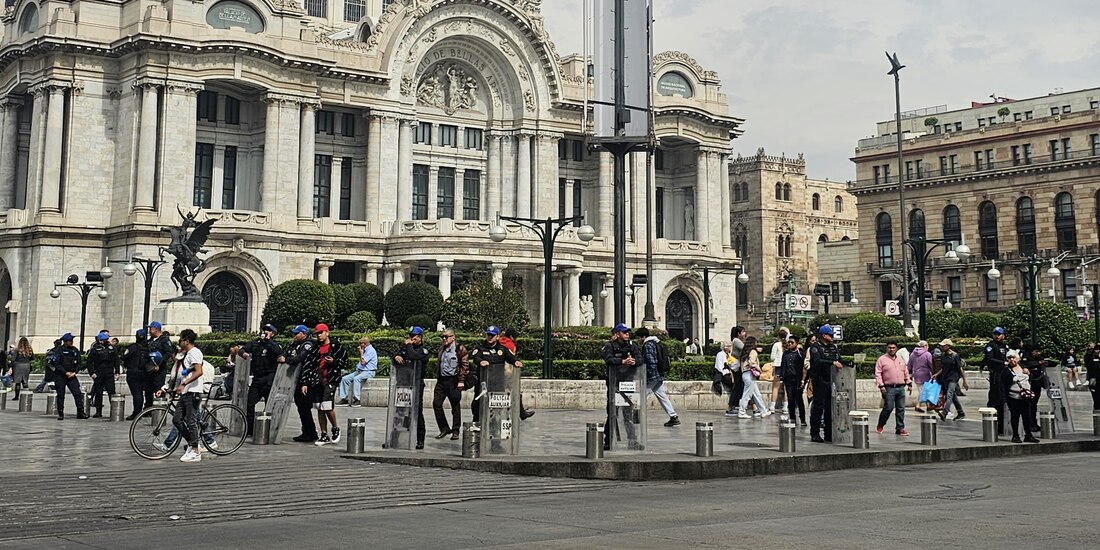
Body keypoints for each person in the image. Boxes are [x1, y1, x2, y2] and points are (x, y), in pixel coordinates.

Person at [156, 329, 206, 463]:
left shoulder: (194, 353)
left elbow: (198, 371)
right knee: (177, 420)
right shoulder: (186, 354)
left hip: (193, 391)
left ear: (186, 341)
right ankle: (191, 443)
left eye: (180, 340)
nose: (179, 343)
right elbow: (179, 374)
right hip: (185, 392)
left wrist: (184, 383)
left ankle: (196, 450)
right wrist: (167, 388)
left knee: (191, 421)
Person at [299, 324, 347, 446]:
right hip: (317, 380)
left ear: (327, 333)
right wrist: (304, 383)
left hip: (330, 379)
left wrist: (333, 362)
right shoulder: (314, 348)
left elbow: (345, 361)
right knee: (319, 407)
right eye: (317, 334)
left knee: (327, 406)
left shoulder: (336, 345)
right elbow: (308, 365)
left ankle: (335, 428)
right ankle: (324, 434)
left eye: (321, 333)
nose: (319, 335)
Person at [602, 323, 642, 450]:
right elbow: (608, 359)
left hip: (628, 383)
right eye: (624, 332)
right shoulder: (610, 346)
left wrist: (634, 361)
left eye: (628, 332)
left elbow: (641, 359)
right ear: (618, 334)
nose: (627, 334)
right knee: (612, 413)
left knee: (628, 413)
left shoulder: (632, 346)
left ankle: (632, 441)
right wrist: (622, 361)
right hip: (614, 383)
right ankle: (608, 440)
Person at [241, 323, 286, 437]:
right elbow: (242, 350)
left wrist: (269, 341)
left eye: (268, 331)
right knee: (250, 404)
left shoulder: (275, 345)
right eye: (264, 330)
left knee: (269, 406)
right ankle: (249, 429)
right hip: (257, 378)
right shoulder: (256, 343)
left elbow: (279, 354)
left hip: (269, 378)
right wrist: (245, 354)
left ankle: (267, 430)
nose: (265, 332)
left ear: (273, 333)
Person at [393, 326, 431, 449]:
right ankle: (395, 438)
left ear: (420, 337)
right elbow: (396, 357)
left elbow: (413, 356)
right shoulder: (405, 348)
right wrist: (395, 357)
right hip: (403, 383)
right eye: (410, 336)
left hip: (416, 384)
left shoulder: (423, 351)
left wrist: (408, 346)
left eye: (414, 336)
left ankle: (420, 440)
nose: (411, 339)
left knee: (416, 412)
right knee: (400, 412)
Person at [636, 327, 680, 427]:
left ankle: (636, 415)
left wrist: (649, 375)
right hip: (659, 374)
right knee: (662, 396)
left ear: (643, 337)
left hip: (653, 376)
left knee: (642, 396)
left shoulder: (647, 345)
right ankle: (673, 416)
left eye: (638, 338)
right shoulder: (656, 342)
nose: (638, 340)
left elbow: (651, 361)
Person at [431, 328, 468, 440]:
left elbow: (465, 365)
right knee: (436, 404)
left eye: (446, 337)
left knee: (455, 406)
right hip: (442, 381)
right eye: (442, 336)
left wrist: (461, 380)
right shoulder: (441, 349)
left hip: (453, 380)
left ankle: (455, 430)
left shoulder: (459, 348)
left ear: (453, 337)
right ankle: (444, 428)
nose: (444, 339)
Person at [285, 325, 319, 443]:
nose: (294, 336)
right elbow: (287, 353)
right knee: (301, 407)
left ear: (304, 333)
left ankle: (310, 432)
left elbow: (301, 358)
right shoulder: (295, 344)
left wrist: (287, 360)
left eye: (297, 333)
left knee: (304, 407)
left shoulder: (308, 344)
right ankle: (308, 431)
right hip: (298, 379)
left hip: (306, 380)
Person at [808, 325, 842, 443]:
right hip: (820, 380)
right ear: (823, 335)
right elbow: (817, 362)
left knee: (830, 408)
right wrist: (832, 363)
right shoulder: (815, 348)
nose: (832, 337)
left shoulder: (833, 347)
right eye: (830, 335)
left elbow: (839, 359)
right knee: (818, 408)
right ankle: (815, 433)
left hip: (831, 380)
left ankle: (829, 433)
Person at [874, 340, 912, 436]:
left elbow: (905, 372)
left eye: (893, 348)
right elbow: (878, 373)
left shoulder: (900, 359)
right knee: (888, 407)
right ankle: (881, 424)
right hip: (888, 388)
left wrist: (909, 383)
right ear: (887, 348)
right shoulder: (881, 359)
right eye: (890, 348)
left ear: (896, 349)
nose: (892, 349)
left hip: (901, 387)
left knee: (901, 409)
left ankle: (900, 428)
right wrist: (881, 385)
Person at [1005, 350, 1039, 443]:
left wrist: (1028, 373)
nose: (1012, 360)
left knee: (1026, 416)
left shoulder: (1023, 366)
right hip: (1014, 396)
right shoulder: (1006, 370)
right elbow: (1003, 384)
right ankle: (1015, 435)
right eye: (1009, 358)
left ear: (1018, 358)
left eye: (1013, 358)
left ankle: (1028, 435)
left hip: (1025, 396)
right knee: (1015, 416)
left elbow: (1031, 377)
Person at [499, 328, 534, 419]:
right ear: (511, 337)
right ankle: (521, 413)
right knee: (515, 393)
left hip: (496, 373)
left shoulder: (499, 341)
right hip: (507, 373)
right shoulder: (510, 345)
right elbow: (511, 358)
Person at [982, 327, 1009, 436]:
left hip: (1004, 375)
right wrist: (1003, 363)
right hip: (996, 375)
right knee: (995, 399)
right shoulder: (990, 346)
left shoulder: (1005, 346)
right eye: (995, 334)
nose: (997, 336)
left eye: (999, 334)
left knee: (1004, 400)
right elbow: (989, 359)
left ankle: (1003, 426)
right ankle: (993, 425)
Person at [86, 331, 120, 418]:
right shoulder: (95, 349)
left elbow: (116, 360)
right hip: (99, 373)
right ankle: (98, 411)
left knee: (111, 392)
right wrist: (92, 373)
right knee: (98, 392)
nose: (105, 341)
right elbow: (89, 362)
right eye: (103, 340)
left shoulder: (112, 348)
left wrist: (117, 372)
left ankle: (114, 410)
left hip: (109, 372)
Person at [54, 333, 87, 420]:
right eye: (69, 341)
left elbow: (79, 363)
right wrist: (65, 372)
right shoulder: (59, 350)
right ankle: (60, 413)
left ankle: (80, 412)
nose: (71, 342)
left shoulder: (75, 350)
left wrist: (75, 372)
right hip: (61, 375)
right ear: (65, 342)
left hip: (72, 375)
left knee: (77, 393)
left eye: (72, 341)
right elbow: (56, 364)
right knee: (61, 395)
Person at [737, 336, 771, 419]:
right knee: (747, 395)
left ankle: (763, 411)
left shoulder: (744, 352)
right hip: (750, 374)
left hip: (745, 374)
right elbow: (752, 363)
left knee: (756, 394)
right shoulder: (753, 351)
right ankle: (741, 412)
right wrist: (759, 369)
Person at [935, 339, 968, 421]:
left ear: (948, 346)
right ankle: (961, 413)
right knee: (953, 397)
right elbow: (943, 368)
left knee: (949, 395)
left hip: (953, 378)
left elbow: (960, 368)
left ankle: (945, 412)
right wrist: (936, 374)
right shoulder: (943, 355)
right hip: (945, 378)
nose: (942, 347)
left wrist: (964, 381)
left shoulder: (955, 356)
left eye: (943, 346)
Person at [339, 336, 378, 407]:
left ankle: (357, 400)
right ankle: (344, 399)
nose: (359, 345)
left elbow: (363, 362)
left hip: (368, 371)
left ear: (364, 344)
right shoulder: (366, 350)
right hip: (360, 371)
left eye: (360, 344)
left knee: (356, 379)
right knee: (344, 379)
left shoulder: (371, 351)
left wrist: (361, 352)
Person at [120, 329, 150, 419]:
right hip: (144, 373)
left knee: (137, 394)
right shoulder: (148, 347)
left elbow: (124, 357)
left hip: (133, 372)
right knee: (141, 394)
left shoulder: (133, 347)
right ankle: (141, 411)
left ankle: (137, 413)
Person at [1022, 344, 1051, 433]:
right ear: (1032, 351)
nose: (1038, 353)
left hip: (1038, 384)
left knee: (1034, 405)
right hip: (1030, 384)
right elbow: (1026, 365)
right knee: (1030, 405)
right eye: (1036, 351)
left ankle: (1034, 423)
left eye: (1039, 351)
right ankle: (1030, 424)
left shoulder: (1039, 358)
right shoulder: (1026, 357)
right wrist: (1038, 363)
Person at [146, 321, 177, 403]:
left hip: (159, 369)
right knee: (148, 389)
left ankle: (159, 407)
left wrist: (160, 363)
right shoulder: (150, 340)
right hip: (150, 368)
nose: (149, 331)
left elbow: (168, 352)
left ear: (156, 329)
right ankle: (148, 407)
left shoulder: (164, 340)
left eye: (150, 329)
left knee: (158, 388)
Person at [780, 336, 807, 426]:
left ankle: (802, 418)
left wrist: (803, 380)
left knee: (798, 398)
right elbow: (783, 365)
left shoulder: (800, 353)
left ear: (796, 343)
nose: (790, 344)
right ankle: (792, 417)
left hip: (798, 379)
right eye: (789, 342)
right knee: (790, 399)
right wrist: (782, 377)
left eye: (792, 342)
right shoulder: (786, 354)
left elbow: (804, 365)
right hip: (788, 379)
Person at [713, 342, 738, 416]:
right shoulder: (720, 354)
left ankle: (734, 404)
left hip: (730, 373)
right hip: (724, 374)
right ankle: (731, 406)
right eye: (729, 346)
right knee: (734, 386)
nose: (730, 347)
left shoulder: (729, 354)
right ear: (725, 347)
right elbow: (720, 367)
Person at [769, 327, 790, 412]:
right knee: (786, 387)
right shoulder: (789, 344)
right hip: (787, 366)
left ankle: (772, 406)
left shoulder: (776, 345)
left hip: (778, 366)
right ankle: (785, 406)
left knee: (775, 387)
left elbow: (772, 357)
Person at [908, 340, 933, 412]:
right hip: (926, 374)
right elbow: (931, 364)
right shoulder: (927, 354)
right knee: (925, 391)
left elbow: (909, 365)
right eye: (927, 345)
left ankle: (928, 405)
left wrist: (910, 374)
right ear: (924, 346)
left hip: (916, 374)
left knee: (922, 390)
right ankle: (918, 405)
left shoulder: (913, 354)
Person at [1087, 345, 1100, 410]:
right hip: (1094, 381)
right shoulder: (1091, 359)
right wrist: (1093, 349)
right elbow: (1088, 356)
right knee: (1097, 399)